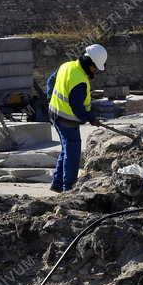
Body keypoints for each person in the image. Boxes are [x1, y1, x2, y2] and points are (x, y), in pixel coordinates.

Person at [47, 44, 107, 193]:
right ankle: (69, 188)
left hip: (54, 113)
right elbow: (77, 107)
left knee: (66, 149)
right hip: (66, 119)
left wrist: (51, 98)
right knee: (73, 153)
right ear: (89, 63)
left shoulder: (67, 66)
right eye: (95, 67)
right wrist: (90, 118)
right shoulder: (79, 80)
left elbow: (50, 81)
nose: (96, 71)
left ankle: (57, 183)